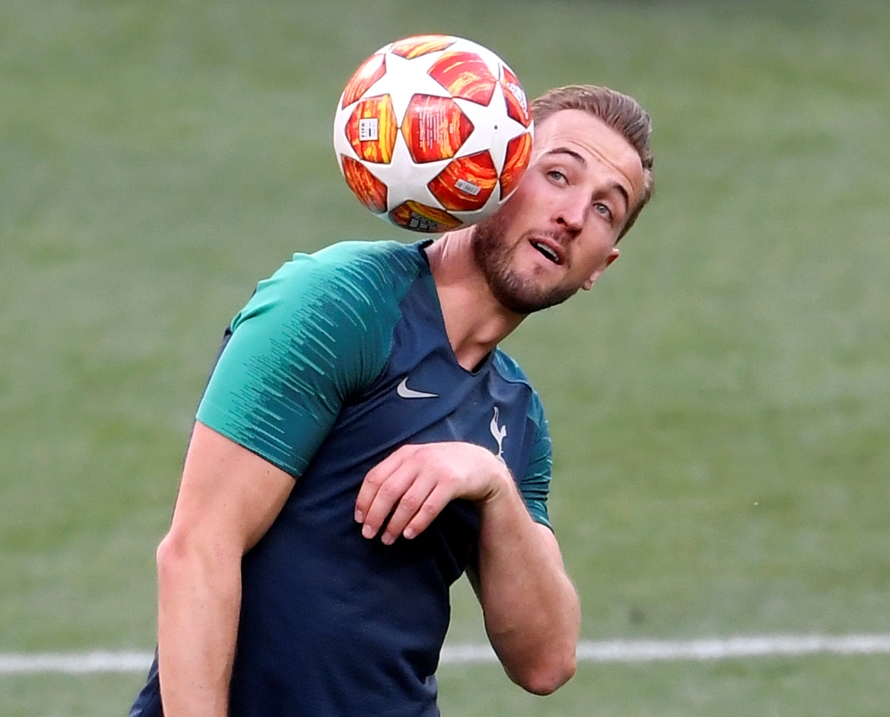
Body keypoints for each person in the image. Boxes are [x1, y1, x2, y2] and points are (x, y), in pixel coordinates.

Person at [129, 83, 655, 717]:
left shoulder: (516, 420)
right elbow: (198, 549)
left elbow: (546, 660)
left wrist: (488, 480)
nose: (574, 215)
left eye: (606, 209)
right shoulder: (342, 302)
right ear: (493, 174)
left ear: (601, 266)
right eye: (558, 175)